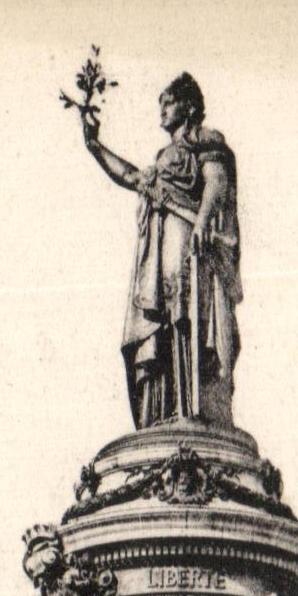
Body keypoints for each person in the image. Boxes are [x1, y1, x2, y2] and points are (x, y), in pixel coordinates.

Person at [81, 73, 241, 429]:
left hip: (187, 238)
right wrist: (95, 146)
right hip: (160, 247)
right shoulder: (163, 158)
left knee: (183, 312)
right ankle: (165, 409)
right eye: (162, 104)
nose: (163, 110)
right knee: (164, 320)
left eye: (169, 102)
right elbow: (132, 177)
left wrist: (202, 223)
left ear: (190, 107)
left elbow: (216, 181)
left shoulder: (205, 140)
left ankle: (190, 407)